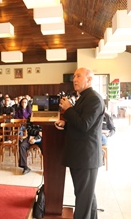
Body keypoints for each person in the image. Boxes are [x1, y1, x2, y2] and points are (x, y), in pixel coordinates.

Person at [55, 67, 105, 219]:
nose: (74, 79)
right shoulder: (84, 97)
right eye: (74, 76)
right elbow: (80, 123)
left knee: (83, 198)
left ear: (89, 80)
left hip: (86, 156)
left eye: (78, 76)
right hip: (80, 155)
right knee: (86, 195)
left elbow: (85, 125)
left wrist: (69, 108)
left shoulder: (94, 99)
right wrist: (66, 124)